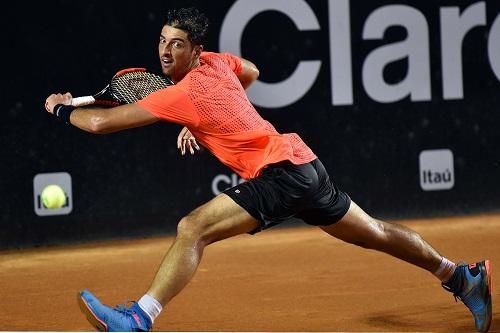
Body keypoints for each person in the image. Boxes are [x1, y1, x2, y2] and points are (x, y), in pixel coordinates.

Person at [45, 7, 492, 333]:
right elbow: (252, 72)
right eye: (162, 40)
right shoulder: (217, 63)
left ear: (193, 50)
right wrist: (209, 120)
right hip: (306, 164)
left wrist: (63, 110)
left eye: (176, 44)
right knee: (373, 231)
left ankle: (139, 318)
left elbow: (102, 121)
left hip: (280, 172)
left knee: (192, 228)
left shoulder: (180, 95)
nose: (165, 51)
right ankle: (460, 276)